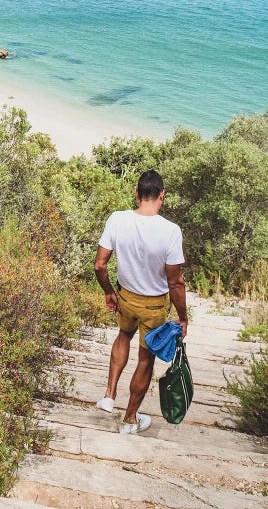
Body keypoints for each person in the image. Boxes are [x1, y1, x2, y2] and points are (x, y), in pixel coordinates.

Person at [94, 169, 187, 435]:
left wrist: (108, 292)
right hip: (154, 306)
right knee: (145, 359)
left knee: (123, 335)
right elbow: (175, 282)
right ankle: (130, 421)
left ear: (136, 194)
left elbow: (100, 265)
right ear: (162, 195)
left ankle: (109, 396)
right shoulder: (171, 231)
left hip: (126, 297)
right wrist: (183, 317)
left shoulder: (117, 219)